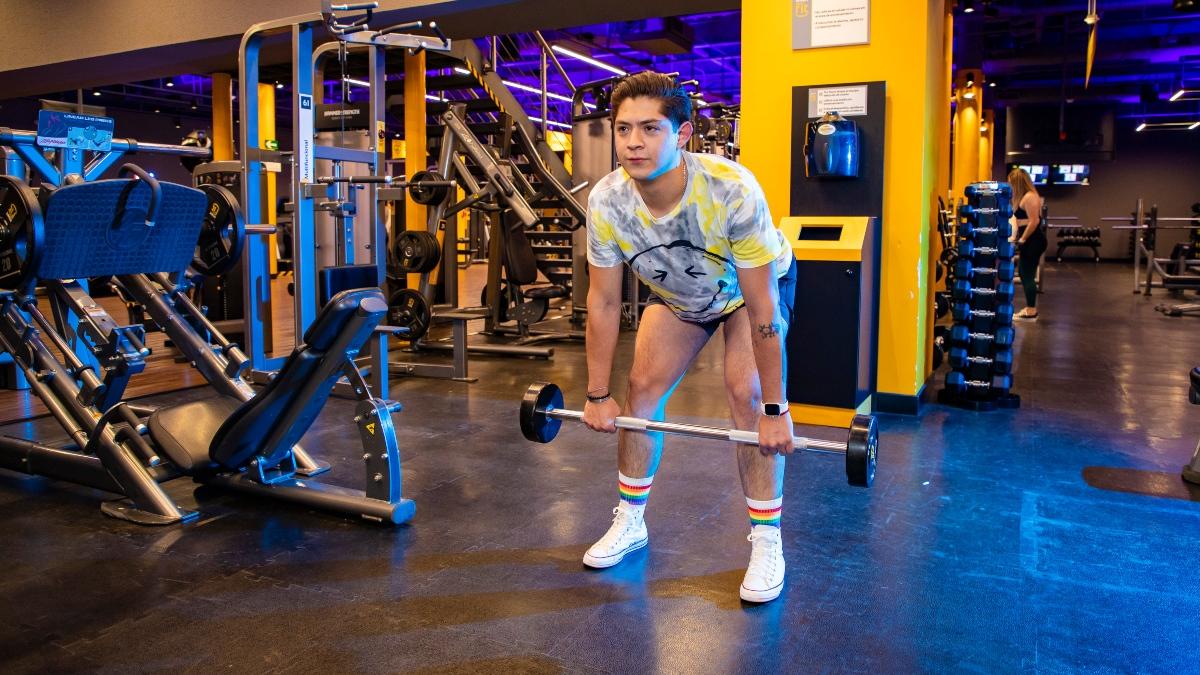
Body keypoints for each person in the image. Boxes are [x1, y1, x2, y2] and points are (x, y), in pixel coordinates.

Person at [582, 71, 798, 603]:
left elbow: (764, 309)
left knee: (746, 394)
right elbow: (604, 301)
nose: (634, 142)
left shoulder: (731, 190)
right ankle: (631, 519)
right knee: (640, 391)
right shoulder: (607, 201)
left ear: (682, 135)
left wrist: (776, 409)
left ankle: (767, 538)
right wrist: (596, 393)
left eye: (650, 128)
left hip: (747, 294)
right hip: (681, 294)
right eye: (624, 128)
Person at [1008, 168, 1046, 320]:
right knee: (1024, 274)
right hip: (1030, 240)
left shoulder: (1030, 197)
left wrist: (1022, 239)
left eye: (1011, 183)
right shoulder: (1024, 197)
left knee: (1027, 274)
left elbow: (1034, 221)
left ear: (1017, 182)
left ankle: (1031, 310)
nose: (1010, 186)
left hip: (1034, 240)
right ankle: (1030, 308)